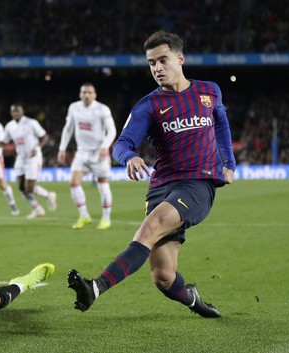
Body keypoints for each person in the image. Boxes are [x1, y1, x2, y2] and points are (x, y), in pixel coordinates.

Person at [67, 31, 236, 318]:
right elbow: (122, 144)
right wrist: (130, 156)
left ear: (180, 58)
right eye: (151, 63)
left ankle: (94, 287)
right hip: (161, 187)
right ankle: (193, 299)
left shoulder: (209, 91)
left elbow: (220, 121)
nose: (157, 68)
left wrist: (228, 162)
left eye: (163, 60)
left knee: (152, 224)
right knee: (163, 277)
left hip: (197, 183)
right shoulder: (149, 105)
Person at [57, 83, 117, 230]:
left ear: (95, 94)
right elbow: (68, 128)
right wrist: (62, 148)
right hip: (82, 152)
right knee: (73, 182)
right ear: (80, 94)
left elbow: (112, 131)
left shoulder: (102, 109)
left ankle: (106, 218)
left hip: (98, 153)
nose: (86, 95)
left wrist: (105, 146)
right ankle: (84, 216)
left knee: (103, 184)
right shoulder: (74, 108)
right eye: (84, 92)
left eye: (89, 92)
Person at [0, 103, 57, 219]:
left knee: (29, 189)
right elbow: (4, 141)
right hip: (20, 158)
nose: (15, 113)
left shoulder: (31, 123)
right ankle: (38, 209)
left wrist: (37, 148)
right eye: (13, 111)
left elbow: (44, 137)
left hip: (33, 157)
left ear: (22, 111)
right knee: (21, 188)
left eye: (17, 111)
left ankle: (48, 195)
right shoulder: (10, 126)